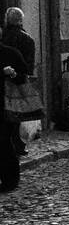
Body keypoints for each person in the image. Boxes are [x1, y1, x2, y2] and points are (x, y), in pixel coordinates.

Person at [2, 8, 36, 156]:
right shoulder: (27, 39)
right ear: (20, 20)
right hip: (18, 81)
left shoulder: (3, 37)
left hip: (3, 80)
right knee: (18, 115)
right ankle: (19, 145)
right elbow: (28, 66)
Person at [0, 40, 27, 192]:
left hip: (8, 107)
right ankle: (10, 179)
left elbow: (23, 76)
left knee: (4, 142)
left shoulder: (11, 53)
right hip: (9, 106)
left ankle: (10, 180)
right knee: (5, 143)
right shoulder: (12, 52)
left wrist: (13, 74)